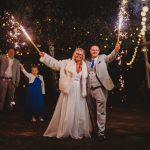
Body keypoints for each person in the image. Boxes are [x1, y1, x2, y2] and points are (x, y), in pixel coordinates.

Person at [40, 48, 92, 139]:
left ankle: (78, 130)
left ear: (83, 56)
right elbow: (55, 63)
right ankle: (66, 129)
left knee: (79, 111)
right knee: (68, 110)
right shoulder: (66, 63)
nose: (78, 56)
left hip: (79, 91)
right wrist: (45, 56)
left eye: (80, 55)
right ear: (74, 54)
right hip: (68, 89)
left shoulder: (84, 66)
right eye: (77, 54)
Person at [86, 43, 120, 139]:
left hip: (100, 89)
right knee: (91, 112)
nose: (95, 51)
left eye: (96, 49)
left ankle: (101, 133)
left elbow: (111, 57)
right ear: (90, 51)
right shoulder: (86, 61)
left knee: (101, 112)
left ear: (99, 51)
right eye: (93, 49)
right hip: (88, 89)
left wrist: (116, 50)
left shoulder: (103, 58)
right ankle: (95, 130)